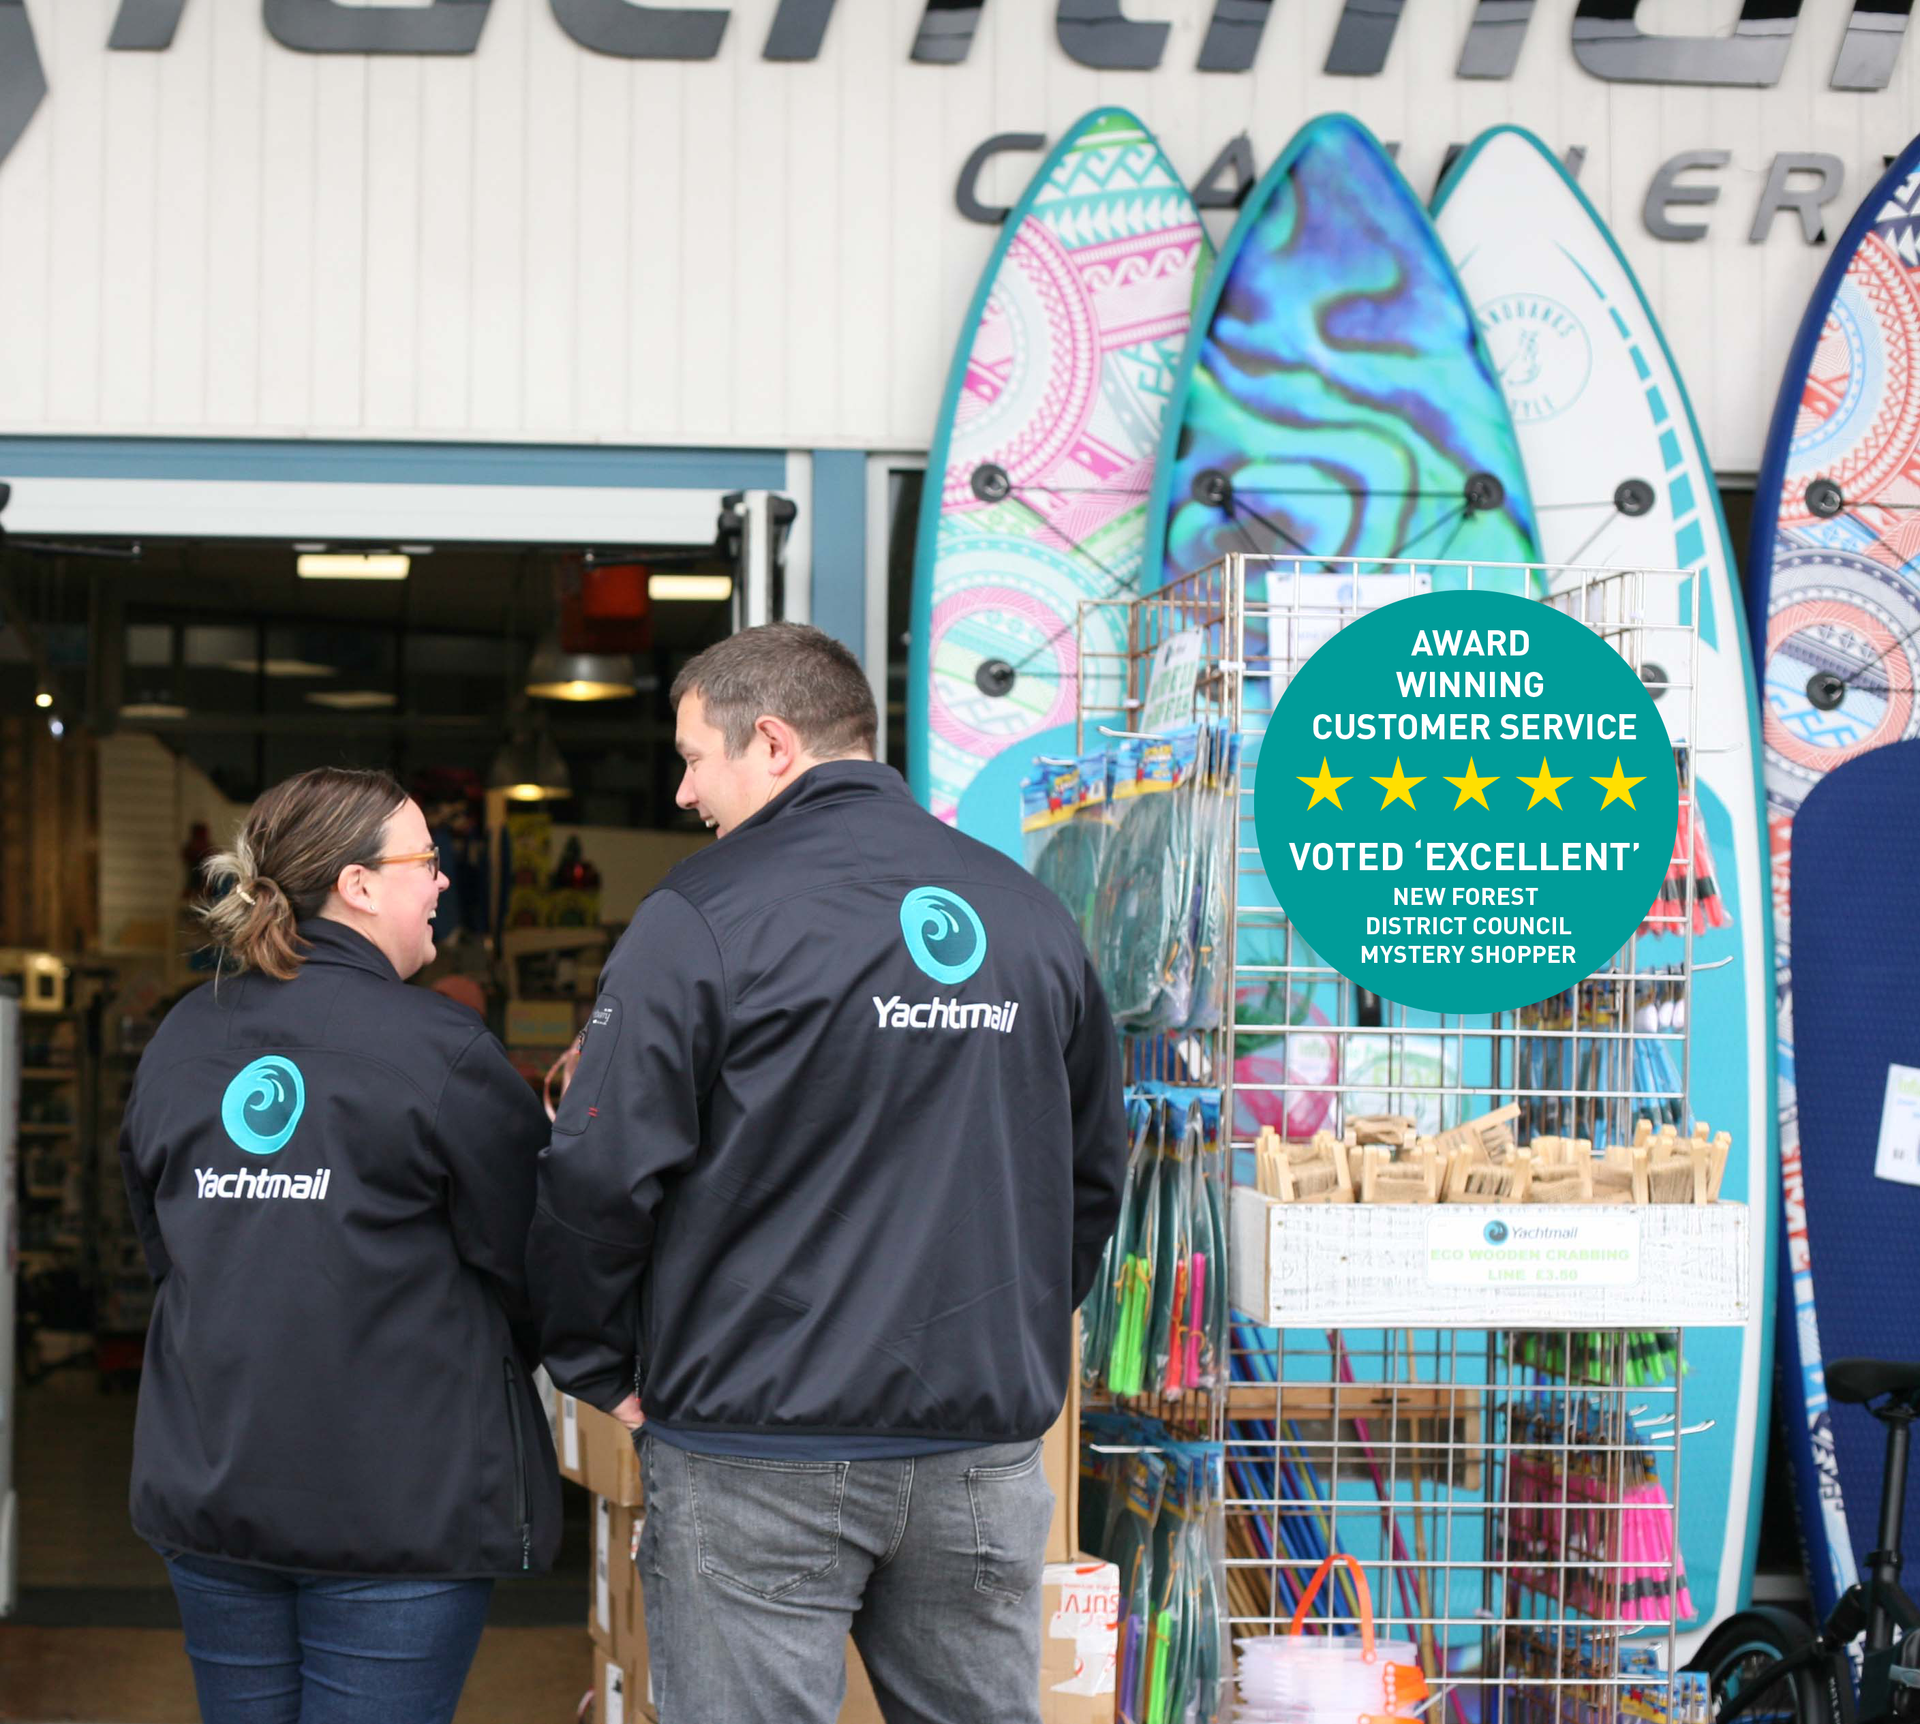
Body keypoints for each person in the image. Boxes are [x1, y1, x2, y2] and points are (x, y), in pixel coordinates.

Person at [529, 623, 1128, 1724]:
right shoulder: (1031, 916)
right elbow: (1092, 1173)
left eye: (694, 757)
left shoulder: (700, 916)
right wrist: (1006, 1336)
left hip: (756, 1444)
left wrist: (592, 1355)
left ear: (769, 743)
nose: (680, 791)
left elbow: (599, 1168)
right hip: (979, 1449)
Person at [118, 766, 560, 1724]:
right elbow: (536, 1262)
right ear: (358, 885)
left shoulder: (184, 1036)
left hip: (212, 1494)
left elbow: (163, 1237)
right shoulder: (441, 1048)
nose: (443, 882)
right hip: (396, 1513)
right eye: (427, 862)